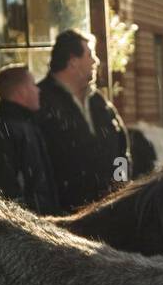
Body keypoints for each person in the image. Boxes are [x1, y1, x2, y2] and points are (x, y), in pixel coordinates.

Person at [36, 29, 131, 212]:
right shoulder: (40, 102)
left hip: (107, 212)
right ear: (73, 62)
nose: (96, 61)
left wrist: (121, 188)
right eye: (90, 54)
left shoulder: (99, 102)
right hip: (64, 220)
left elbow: (122, 147)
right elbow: (38, 164)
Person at [0, 63, 59, 214]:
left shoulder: (26, 126)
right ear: (21, 91)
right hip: (23, 228)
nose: (38, 90)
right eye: (33, 84)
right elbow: (4, 191)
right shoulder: (1, 132)